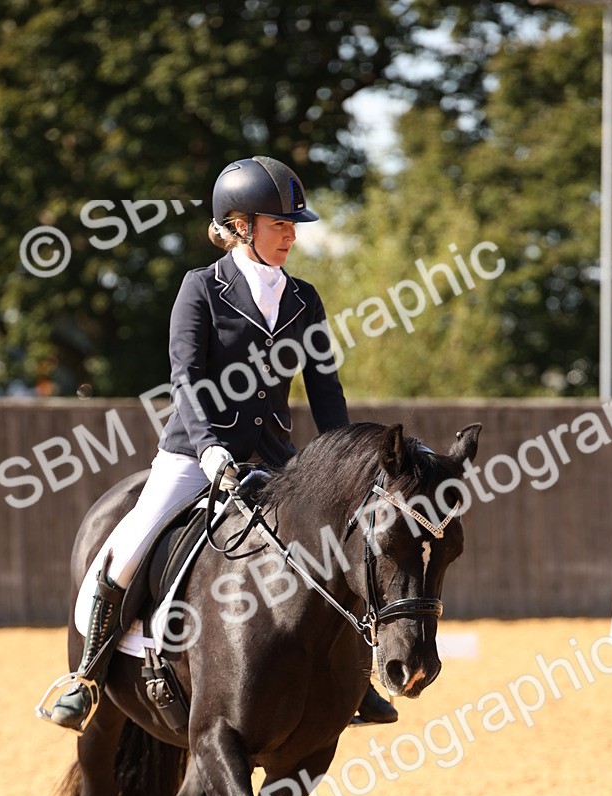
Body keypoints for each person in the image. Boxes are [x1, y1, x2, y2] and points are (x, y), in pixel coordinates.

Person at [48, 154, 398, 730]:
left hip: (276, 458)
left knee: (341, 543)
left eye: (293, 226)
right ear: (240, 225)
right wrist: (209, 447)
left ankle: (354, 678)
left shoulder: (303, 298)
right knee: (130, 546)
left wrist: (347, 465)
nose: (290, 235)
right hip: (194, 454)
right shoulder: (200, 290)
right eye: (278, 224)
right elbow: (185, 377)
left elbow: (325, 389)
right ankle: (89, 673)